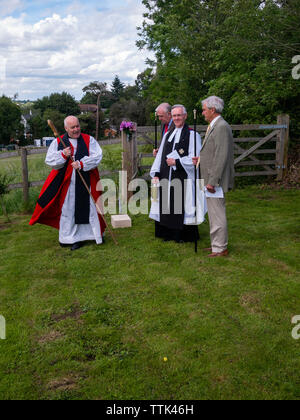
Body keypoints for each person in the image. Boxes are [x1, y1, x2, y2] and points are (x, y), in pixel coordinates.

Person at [29, 116, 106, 251]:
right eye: (72, 127)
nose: (76, 129)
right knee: (69, 209)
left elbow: (97, 156)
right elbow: (50, 160)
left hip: (85, 180)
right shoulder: (58, 142)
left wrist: (82, 163)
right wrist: (63, 155)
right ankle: (70, 238)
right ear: (66, 128)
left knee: (90, 208)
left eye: (77, 126)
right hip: (68, 184)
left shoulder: (89, 140)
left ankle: (92, 235)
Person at [150, 105, 206, 243]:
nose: (176, 118)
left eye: (179, 115)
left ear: (185, 116)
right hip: (165, 176)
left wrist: (177, 162)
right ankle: (168, 234)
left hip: (183, 177)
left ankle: (183, 236)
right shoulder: (168, 134)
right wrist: (156, 172)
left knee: (182, 204)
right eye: (174, 116)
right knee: (166, 204)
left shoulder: (193, 135)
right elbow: (160, 155)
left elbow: (196, 158)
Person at [193, 96, 234, 257]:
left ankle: (220, 248)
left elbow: (221, 156)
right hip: (210, 176)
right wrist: (200, 160)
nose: (202, 113)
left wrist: (213, 181)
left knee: (217, 212)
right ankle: (216, 244)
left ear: (212, 110)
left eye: (204, 109)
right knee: (213, 212)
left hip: (214, 180)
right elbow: (212, 152)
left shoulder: (222, 127)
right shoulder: (215, 126)